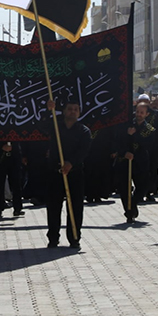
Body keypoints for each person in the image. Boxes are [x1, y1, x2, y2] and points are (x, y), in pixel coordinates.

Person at [45, 99, 92, 249]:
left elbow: (83, 151)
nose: (72, 112)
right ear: (64, 111)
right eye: (70, 109)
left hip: (75, 173)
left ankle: (74, 237)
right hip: (55, 172)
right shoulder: (55, 126)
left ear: (79, 112)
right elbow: (41, 126)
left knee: (75, 206)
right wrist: (48, 110)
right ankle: (53, 238)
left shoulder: (84, 131)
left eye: (75, 109)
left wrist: (70, 163)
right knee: (53, 206)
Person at [115, 102, 154, 223]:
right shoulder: (126, 125)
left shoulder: (149, 129)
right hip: (125, 161)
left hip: (141, 162)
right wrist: (124, 153)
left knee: (142, 186)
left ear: (147, 114)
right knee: (124, 188)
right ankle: (129, 212)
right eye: (137, 111)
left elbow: (147, 144)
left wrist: (134, 135)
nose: (139, 114)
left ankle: (132, 204)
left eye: (142, 112)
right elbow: (118, 141)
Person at [0, 141, 24, 218]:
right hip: (0, 157)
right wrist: (1, 146)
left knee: (16, 183)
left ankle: (17, 208)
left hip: (14, 157)